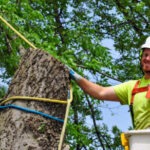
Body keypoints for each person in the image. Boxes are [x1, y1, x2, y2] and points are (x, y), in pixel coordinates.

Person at [68, 36, 150, 130]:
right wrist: (76, 76)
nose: (147, 58)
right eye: (145, 55)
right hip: (141, 141)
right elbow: (100, 92)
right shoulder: (133, 87)